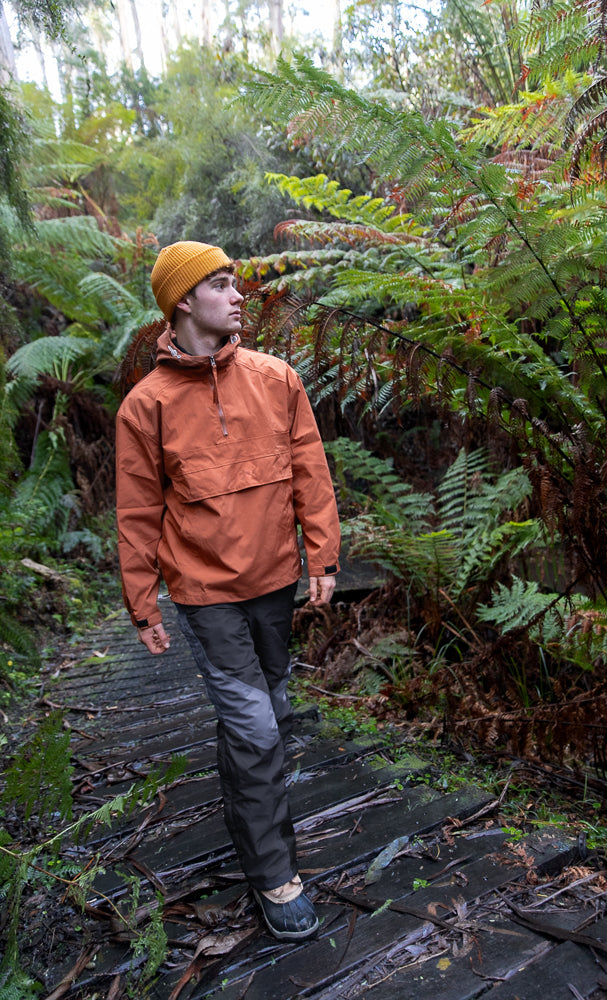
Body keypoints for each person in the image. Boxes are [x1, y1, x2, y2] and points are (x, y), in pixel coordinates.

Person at [115, 240, 341, 941]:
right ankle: (275, 875)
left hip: (274, 580)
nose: (237, 295)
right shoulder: (145, 407)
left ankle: (248, 815)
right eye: (219, 284)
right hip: (204, 593)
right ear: (182, 301)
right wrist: (142, 602)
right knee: (255, 727)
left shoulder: (276, 379)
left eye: (233, 282)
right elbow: (137, 511)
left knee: (271, 713)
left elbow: (310, 471)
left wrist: (322, 557)